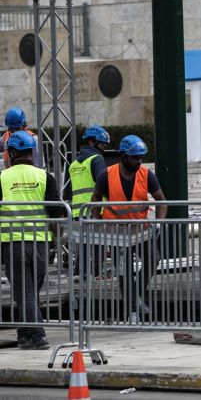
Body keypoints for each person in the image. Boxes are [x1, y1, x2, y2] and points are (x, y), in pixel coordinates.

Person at [91, 135, 168, 320]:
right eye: (135, 158)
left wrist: (158, 223)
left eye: (141, 158)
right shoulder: (106, 175)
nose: (138, 161)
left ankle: (135, 296)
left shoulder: (147, 175)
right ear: (124, 156)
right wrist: (100, 222)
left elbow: (162, 201)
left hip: (141, 231)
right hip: (116, 233)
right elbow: (95, 200)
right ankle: (133, 309)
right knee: (123, 270)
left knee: (153, 259)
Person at [0, 131, 63, 350]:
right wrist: (57, 237)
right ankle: (23, 334)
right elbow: (56, 213)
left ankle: (38, 335)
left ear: (12, 152)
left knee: (23, 291)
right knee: (30, 290)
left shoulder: (2, 177)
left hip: (14, 242)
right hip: (40, 243)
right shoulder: (45, 176)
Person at [67, 125, 110, 277]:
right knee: (98, 247)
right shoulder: (96, 159)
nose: (104, 148)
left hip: (79, 212)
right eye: (102, 144)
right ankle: (95, 277)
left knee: (83, 247)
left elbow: (69, 191)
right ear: (92, 142)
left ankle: (80, 275)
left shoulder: (73, 165)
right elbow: (103, 183)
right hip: (95, 211)